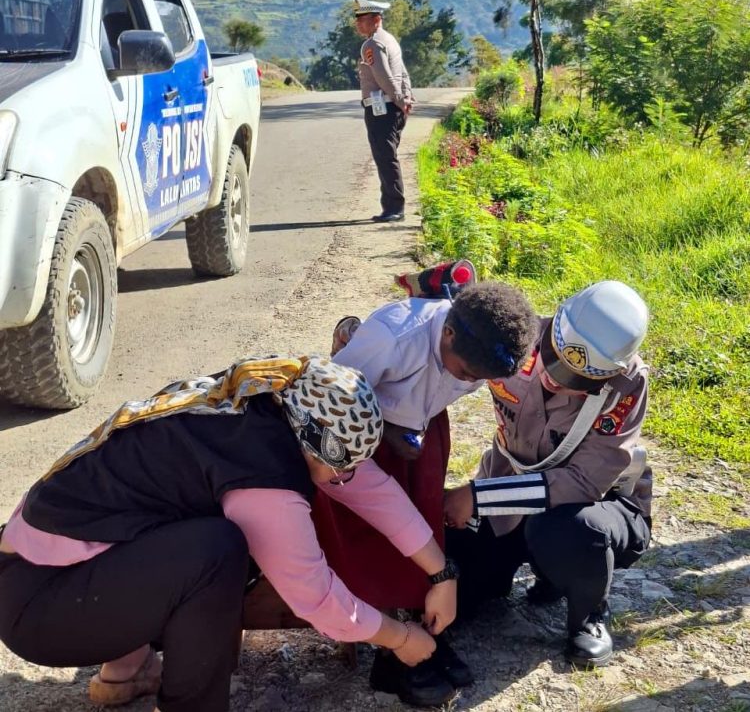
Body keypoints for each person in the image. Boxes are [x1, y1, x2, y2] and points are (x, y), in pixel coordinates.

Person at [0, 355, 459, 712]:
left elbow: (368, 487)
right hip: (43, 609)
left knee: (195, 530)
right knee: (218, 551)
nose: (343, 481)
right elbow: (316, 600)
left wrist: (441, 573)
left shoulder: (269, 398)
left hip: (42, 573)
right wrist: (402, 638)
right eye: (338, 470)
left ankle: (127, 668)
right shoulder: (262, 480)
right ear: (313, 445)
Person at [312, 274, 537, 705]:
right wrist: (388, 430)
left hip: (422, 434)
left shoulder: (479, 346)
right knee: (374, 535)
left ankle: (423, 620)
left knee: (424, 522)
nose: (470, 380)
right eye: (467, 372)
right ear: (446, 332)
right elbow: (332, 410)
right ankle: (393, 639)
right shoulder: (394, 339)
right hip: (363, 443)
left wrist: (414, 427)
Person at [443, 280, 652, 668]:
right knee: (457, 580)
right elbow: (446, 352)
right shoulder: (514, 338)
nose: (556, 378)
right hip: (508, 501)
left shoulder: (626, 385)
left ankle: (589, 615)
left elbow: (585, 482)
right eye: (554, 359)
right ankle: (539, 573)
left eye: (578, 378)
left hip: (592, 510)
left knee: (565, 532)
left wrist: (477, 496)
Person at [354, 0, 414, 223]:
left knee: (385, 157)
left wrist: (399, 98)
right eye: (357, 19)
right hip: (394, 108)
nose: (358, 23)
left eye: (363, 19)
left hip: (383, 109)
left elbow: (384, 76)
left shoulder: (372, 44)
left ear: (376, 19)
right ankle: (392, 205)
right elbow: (403, 73)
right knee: (388, 156)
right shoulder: (390, 40)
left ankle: (394, 207)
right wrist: (407, 97)